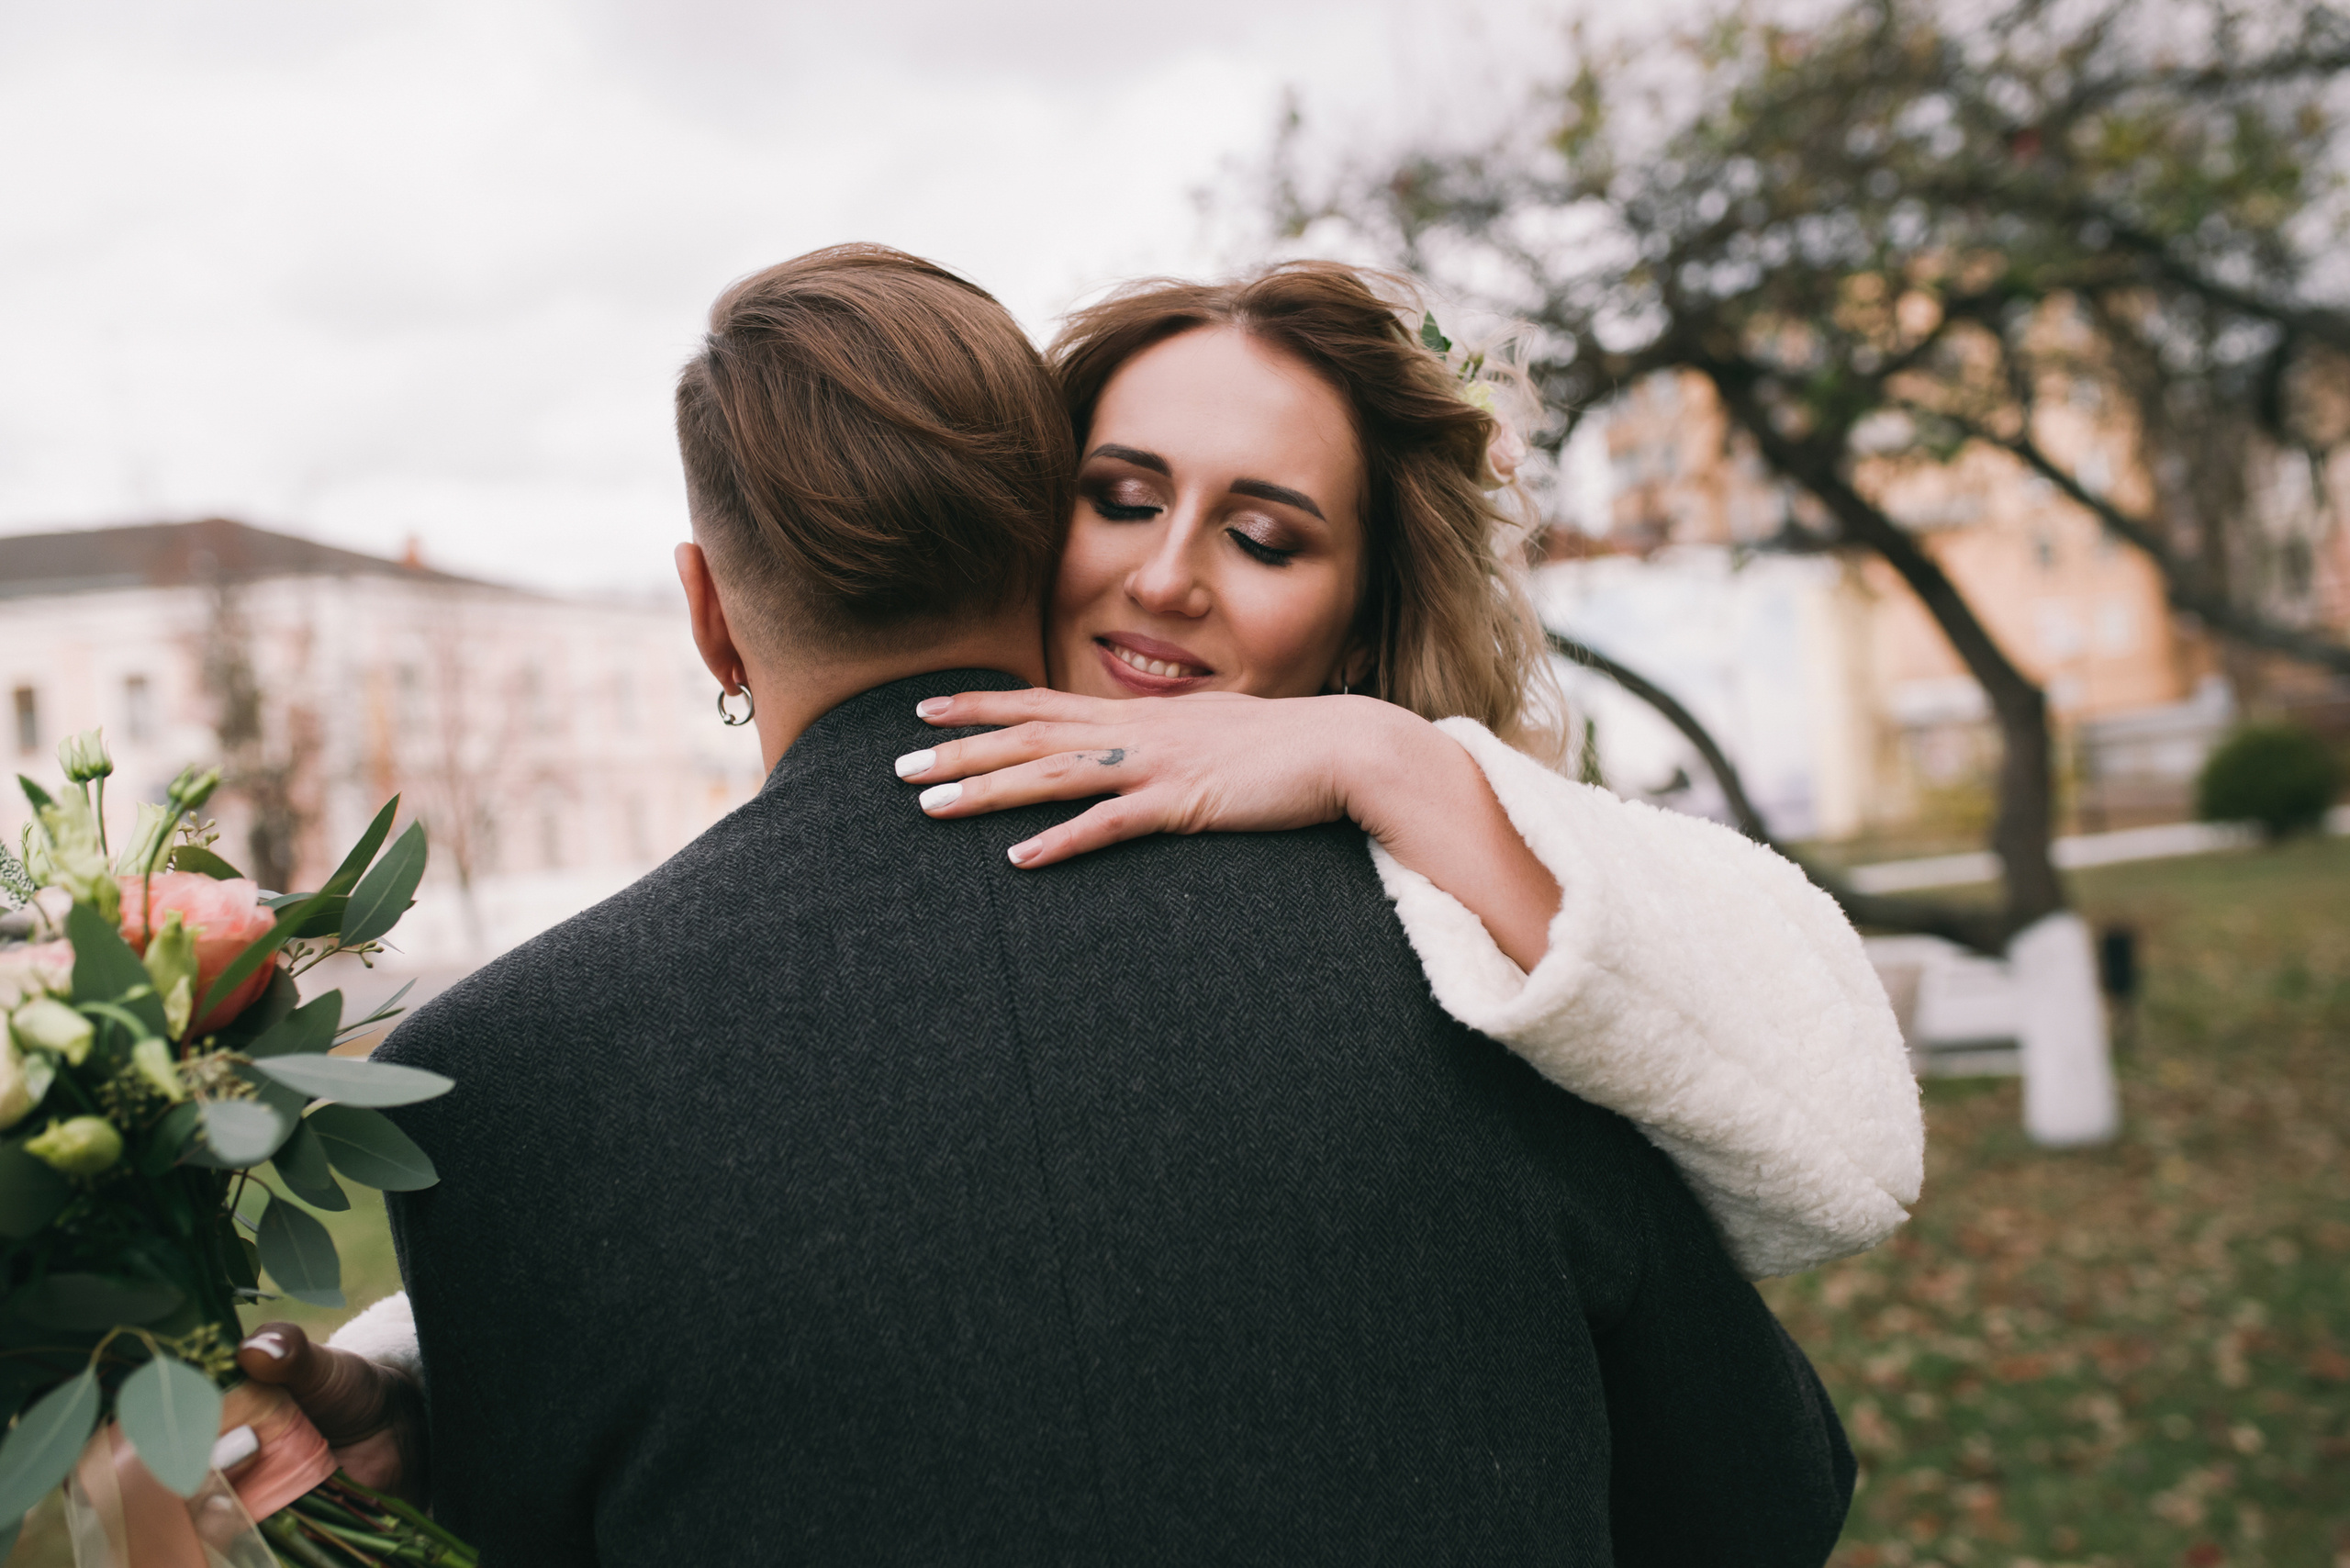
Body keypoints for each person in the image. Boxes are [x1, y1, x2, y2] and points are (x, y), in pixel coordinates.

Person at [241, 244, 1863, 1562]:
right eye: (1122, 497)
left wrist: (1393, 762)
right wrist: (432, 1388)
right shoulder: (1426, 958)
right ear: (1023, 525)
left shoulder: (1494, 930)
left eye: (1266, 534)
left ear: (710, 616)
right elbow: (1755, 1500)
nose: (1163, 579)